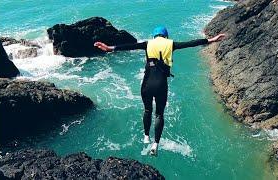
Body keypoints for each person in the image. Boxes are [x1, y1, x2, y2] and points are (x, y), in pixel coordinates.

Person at [94, 26, 225, 156]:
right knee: (159, 115)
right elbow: (191, 43)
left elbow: (129, 46)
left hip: (146, 84)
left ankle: (146, 136)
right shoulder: (171, 44)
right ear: (165, 36)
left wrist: (109, 48)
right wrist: (212, 39)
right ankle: (155, 144)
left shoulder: (147, 44)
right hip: (161, 84)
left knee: (147, 110)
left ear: (154, 36)